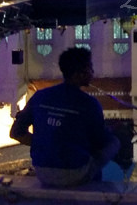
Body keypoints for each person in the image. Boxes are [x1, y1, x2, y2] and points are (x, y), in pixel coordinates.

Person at [10, 46, 120, 187]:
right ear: (78, 74)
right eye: (89, 68)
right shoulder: (89, 104)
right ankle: (93, 184)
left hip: (42, 172)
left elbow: (16, 133)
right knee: (113, 142)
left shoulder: (40, 96)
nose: (92, 72)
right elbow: (98, 142)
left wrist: (45, 143)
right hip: (74, 173)